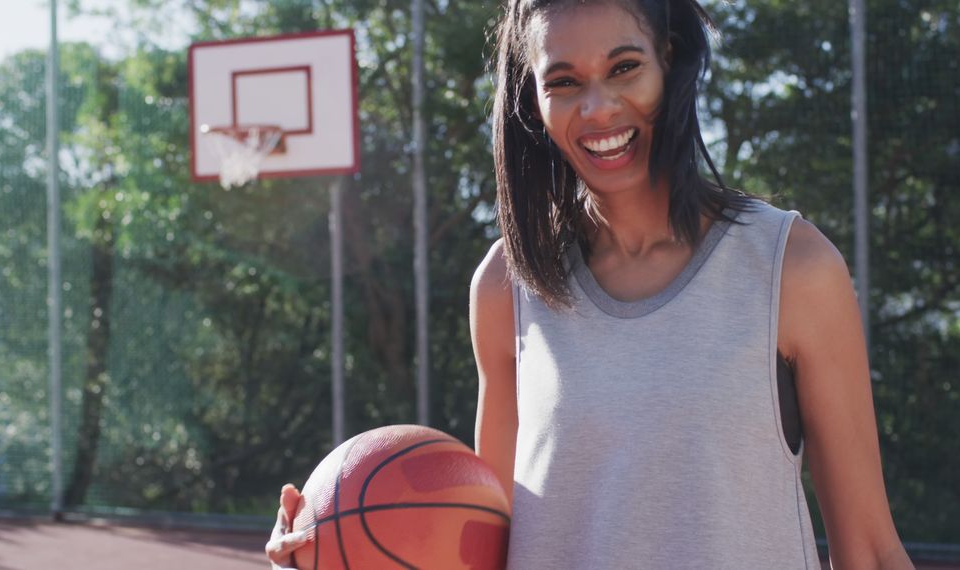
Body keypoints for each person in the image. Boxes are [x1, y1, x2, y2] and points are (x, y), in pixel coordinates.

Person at [268, 0, 914, 568]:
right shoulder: (506, 284)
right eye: (564, 81)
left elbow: (871, 551)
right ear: (534, 101)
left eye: (625, 67)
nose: (598, 107)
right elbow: (478, 542)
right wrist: (329, 550)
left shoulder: (791, 268)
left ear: (669, 61)